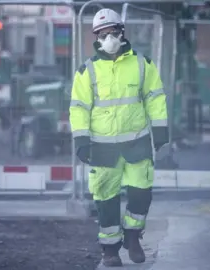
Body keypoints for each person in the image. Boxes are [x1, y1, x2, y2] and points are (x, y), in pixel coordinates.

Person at [69, 8, 168, 267]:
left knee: (141, 194)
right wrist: (81, 140)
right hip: (102, 148)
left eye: (111, 31)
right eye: (101, 33)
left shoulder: (142, 64)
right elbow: (78, 109)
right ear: (96, 37)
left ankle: (133, 238)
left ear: (121, 32)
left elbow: (155, 98)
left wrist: (160, 132)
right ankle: (110, 250)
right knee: (106, 201)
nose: (107, 37)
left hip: (137, 143)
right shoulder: (86, 71)